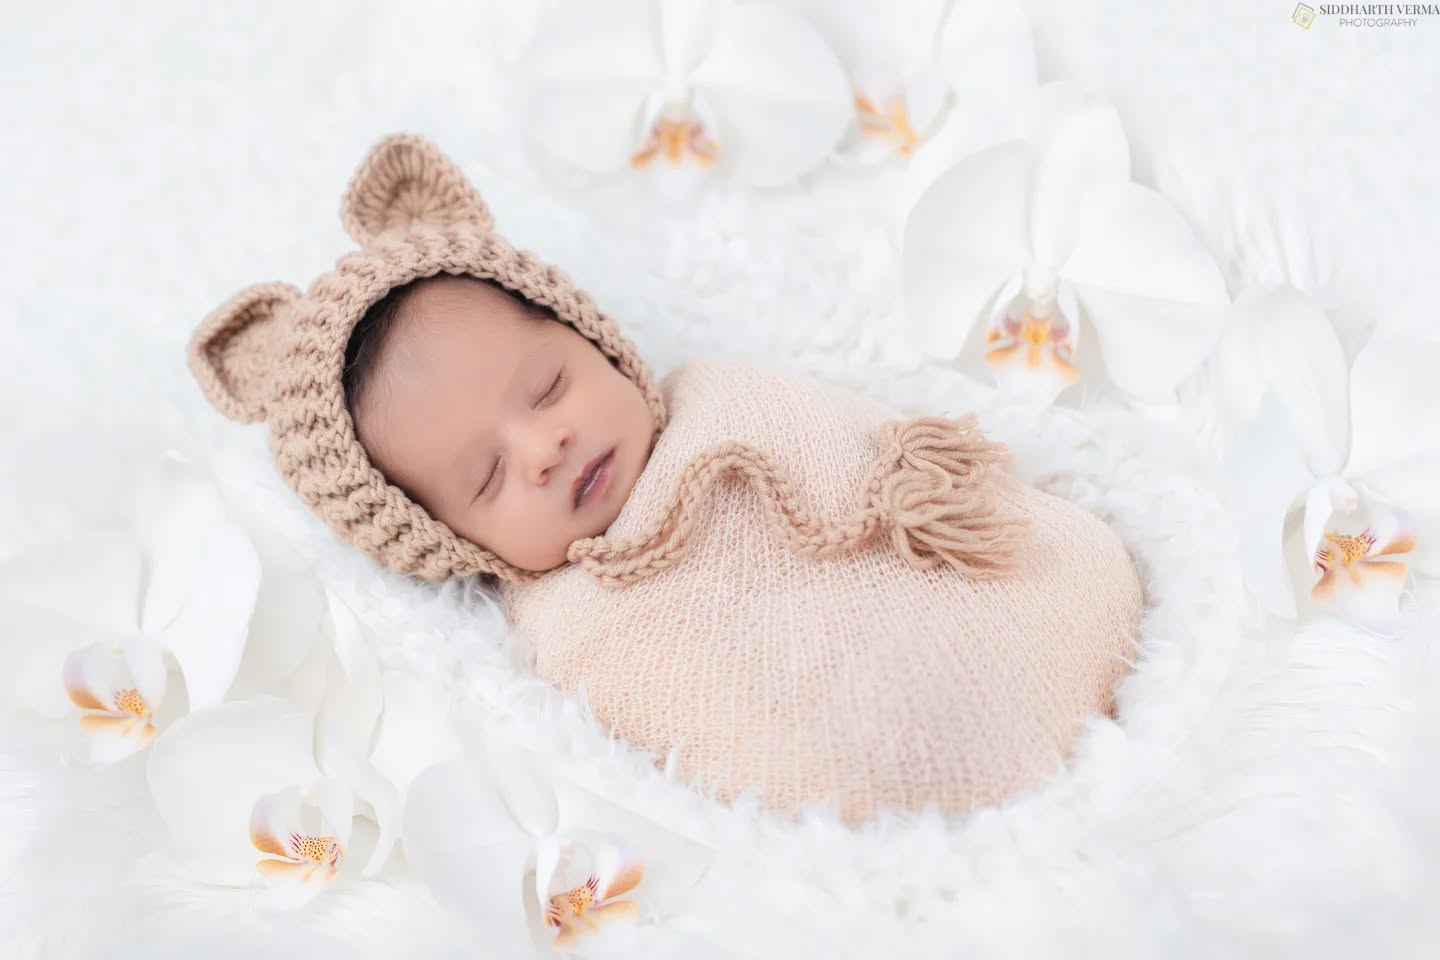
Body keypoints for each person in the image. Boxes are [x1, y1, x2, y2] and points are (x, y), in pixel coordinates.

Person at [189, 133, 1144, 824]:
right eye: (487, 478)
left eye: (548, 385)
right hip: (862, 736)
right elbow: (692, 733)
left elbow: (876, 452)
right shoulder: (567, 623)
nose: (546, 446)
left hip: (969, 594)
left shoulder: (725, 398)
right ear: (449, 543)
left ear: (593, 334)